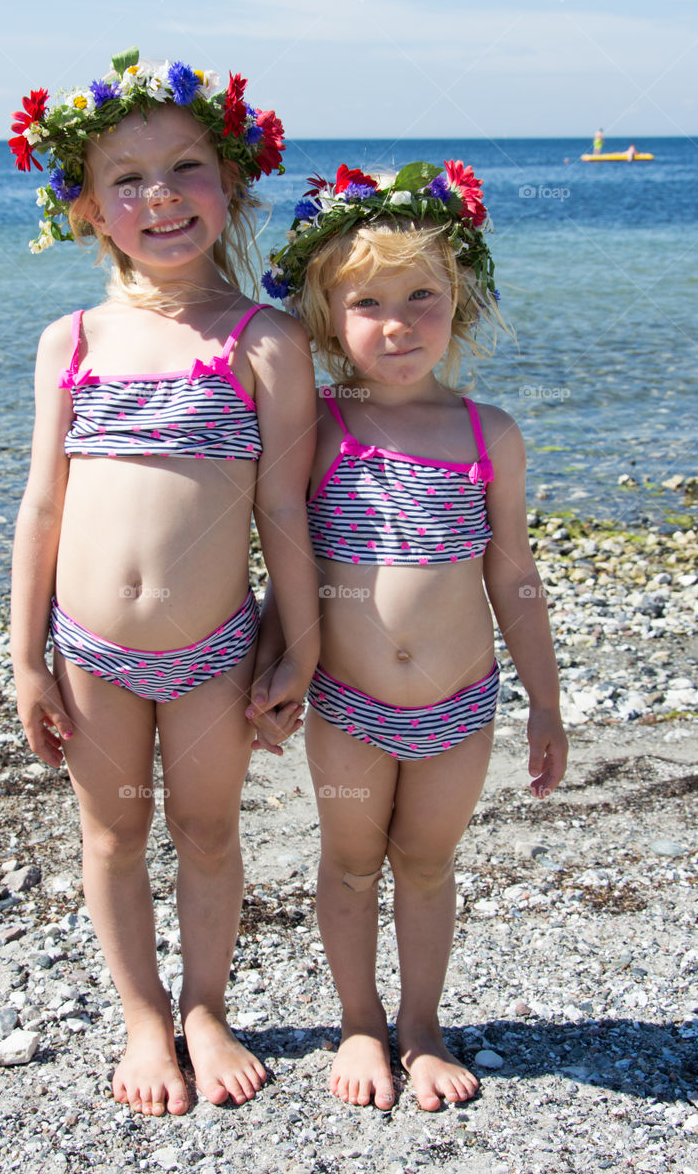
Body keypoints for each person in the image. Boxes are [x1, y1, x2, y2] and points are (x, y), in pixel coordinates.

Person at [9, 47, 318, 1116]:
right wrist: (24, 661)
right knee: (111, 830)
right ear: (87, 207)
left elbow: (284, 508)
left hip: (216, 644)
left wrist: (300, 639)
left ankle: (203, 1002)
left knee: (208, 829)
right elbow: (42, 507)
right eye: (126, 180)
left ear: (228, 182)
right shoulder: (73, 340)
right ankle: (141, 1010)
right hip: (88, 644)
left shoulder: (263, 340)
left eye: (184, 167)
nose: (159, 197)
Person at [251, 160, 569, 1111]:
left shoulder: (487, 434)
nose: (395, 323)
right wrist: (274, 663)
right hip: (347, 702)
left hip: (461, 701)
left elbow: (513, 577)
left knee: (428, 863)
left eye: (421, 296)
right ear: (324, 318)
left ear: (460, 298)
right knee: (350, 862)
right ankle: (358, 1019)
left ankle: (422, 1027)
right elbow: (285, 548)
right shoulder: (317, 426)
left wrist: (545, 702)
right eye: (366, 302)